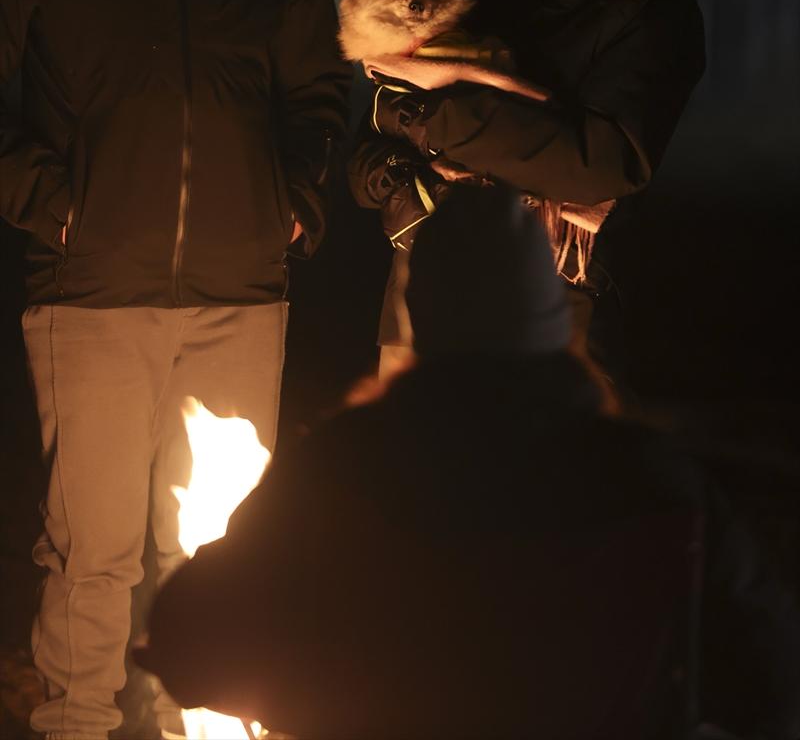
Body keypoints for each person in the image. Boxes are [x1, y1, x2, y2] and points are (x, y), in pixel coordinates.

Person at [0, 0, 351, 740]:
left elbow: (318, 85)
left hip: (242, 291)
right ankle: (75, 726)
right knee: (92, 549)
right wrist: (52, 206)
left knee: (216, 551)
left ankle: (198, 726)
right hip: (92, 290)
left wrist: (292, 199)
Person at [135, 184, 800, 740]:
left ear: (425, 315)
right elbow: (770, 678)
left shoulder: (344, 468)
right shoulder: (652, 475)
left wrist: (310, 693)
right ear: (550, 325)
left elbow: (189, 644)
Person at [348, 0, 706, 398]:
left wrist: (439, 118)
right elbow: (373, 136)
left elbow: (602, 161)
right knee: (409, 486)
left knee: (545, 486)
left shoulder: (650, 9)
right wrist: (403, 191)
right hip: (426, 295)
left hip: (556, 304)